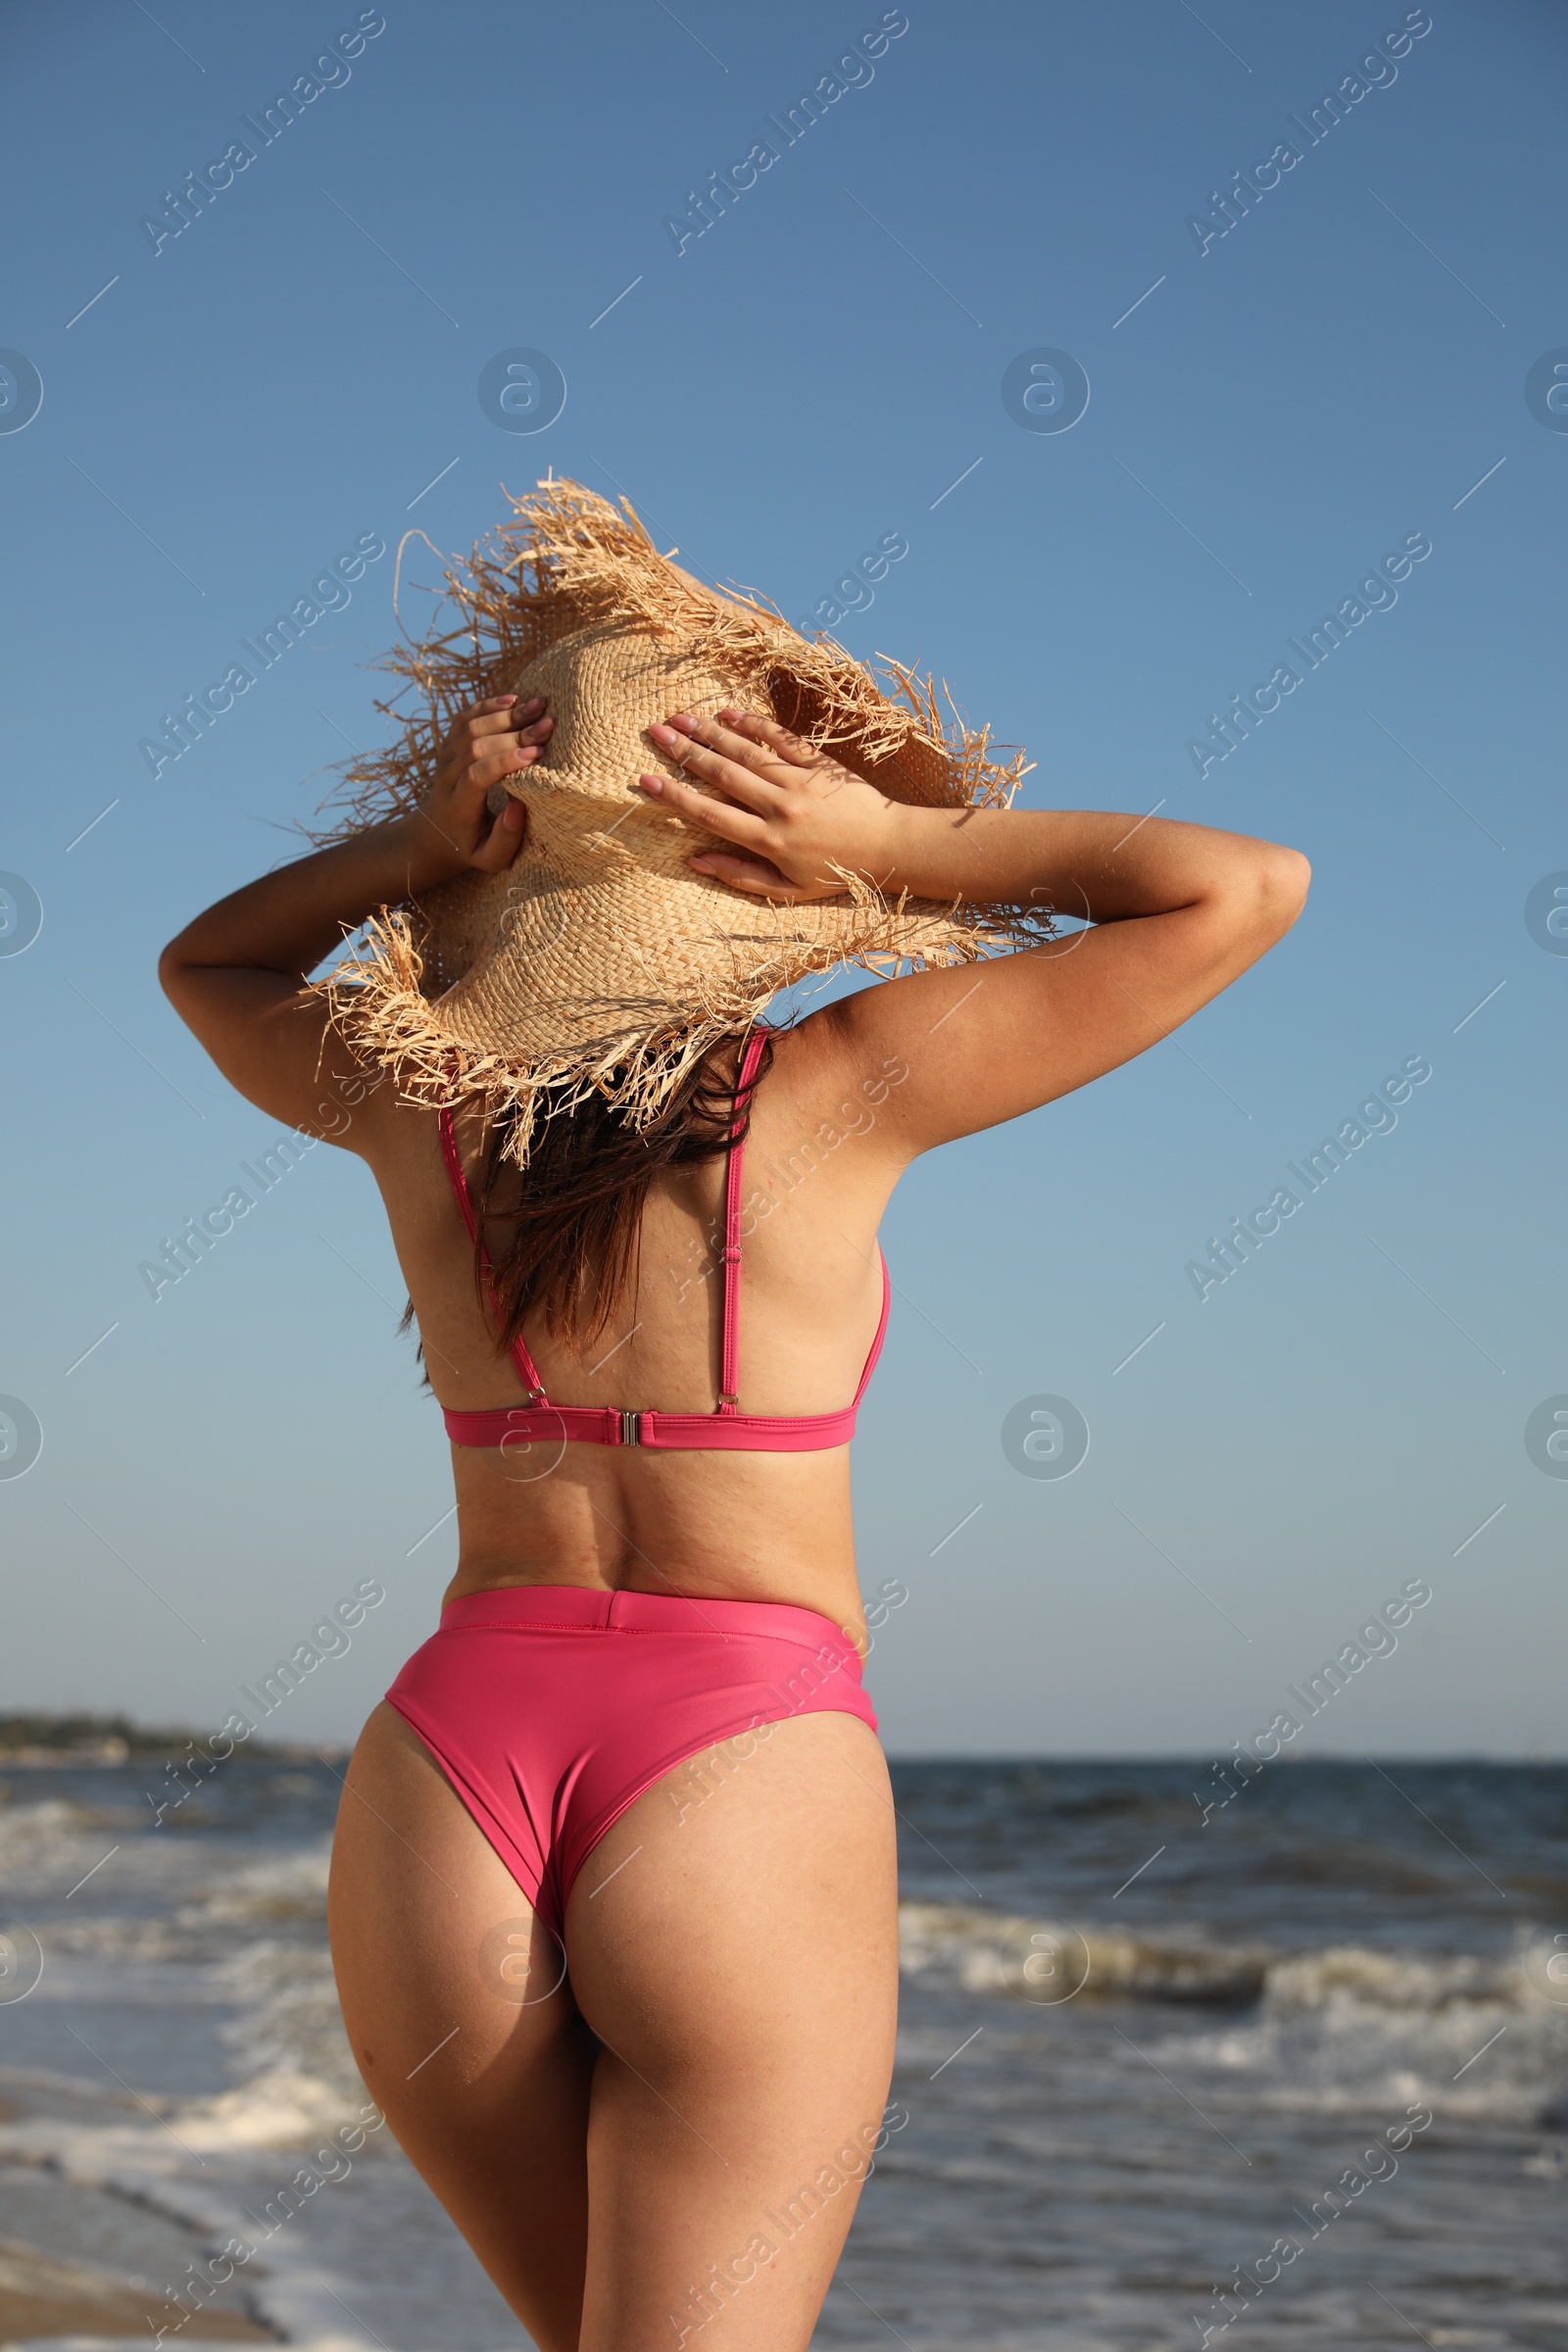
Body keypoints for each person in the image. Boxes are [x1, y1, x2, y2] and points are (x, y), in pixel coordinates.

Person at [159, 484, 1308, 2352]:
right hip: (736, 1758)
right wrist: (899, 841)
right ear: (753, 883)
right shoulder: (843, 1085)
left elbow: (204, 967)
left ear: (519, 887)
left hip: (448, 1764)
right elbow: (1244, 886)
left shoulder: (417, 1113)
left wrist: (413, 850)